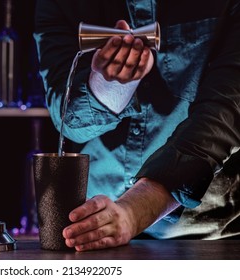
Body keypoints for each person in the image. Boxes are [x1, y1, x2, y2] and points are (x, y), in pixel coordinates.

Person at [33, 0, 240, 251]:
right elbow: (67, 122)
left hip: (203, 237)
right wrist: (110, 89)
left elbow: (223, 114)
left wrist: (133, 212)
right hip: (98, 230)